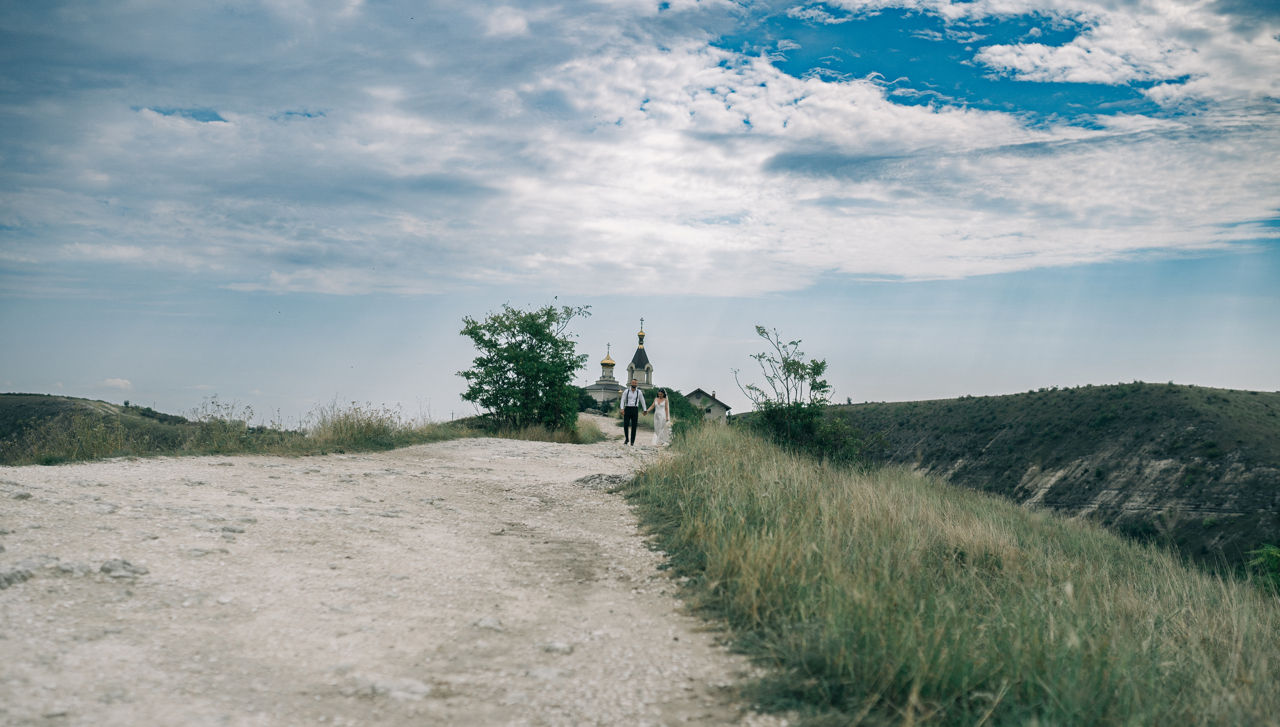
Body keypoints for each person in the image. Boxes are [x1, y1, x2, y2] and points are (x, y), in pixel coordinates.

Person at [619, 378, 646, 446]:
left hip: (635, 409)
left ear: (637, 384)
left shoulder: (639, 392)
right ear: (631, 383)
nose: (634, 384)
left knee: (634, 426)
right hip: (627, 408)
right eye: (633, 383)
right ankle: (627, 439)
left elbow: (642, 401)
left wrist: (644, 409)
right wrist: (622, 408)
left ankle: (632, 441)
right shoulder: (626, 391)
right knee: (625, 425)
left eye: (635, 383)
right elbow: (622, 400)